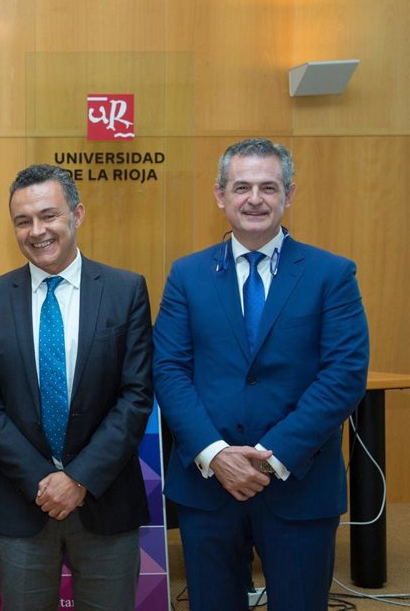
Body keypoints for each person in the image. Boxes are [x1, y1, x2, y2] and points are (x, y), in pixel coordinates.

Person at [153, 138, 369, 610]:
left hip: (299, 483)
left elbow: (344, 375)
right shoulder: (187, 276)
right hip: (209, 485)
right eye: (242, 187)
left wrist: (272, 457)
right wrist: (216, 454)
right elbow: (169, 370)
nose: (255, 199)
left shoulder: (331, 275)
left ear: (288, 194)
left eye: (268, 187)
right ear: (220, 195)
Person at [0, 164, 153, 610]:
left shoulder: (125, 290)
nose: (37, 231)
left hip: (106, 499)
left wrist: (78, 478)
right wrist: (43, 481)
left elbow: (136, 395)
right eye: (23, 221)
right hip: (24, 503)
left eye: (48, 215)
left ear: (77, 214)